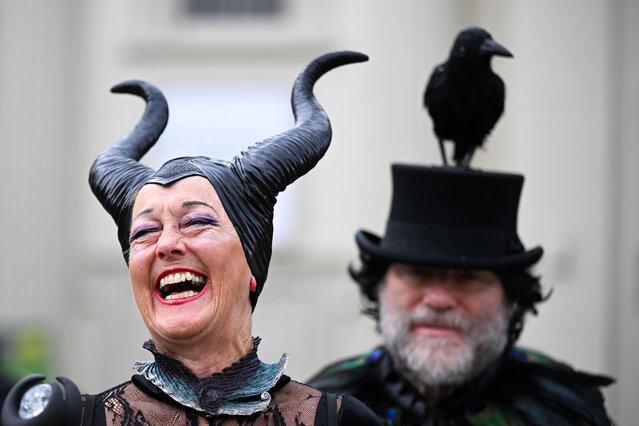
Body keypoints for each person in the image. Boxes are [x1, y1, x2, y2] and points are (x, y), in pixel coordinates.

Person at [1, 51, 383, 425]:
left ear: (251, 264)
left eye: (197, 222)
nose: (167, 244)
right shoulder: (77, 420)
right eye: (145, 232)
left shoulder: (338, 419)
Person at [308, 164, 615, 425]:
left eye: (469, 277)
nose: (439, 300)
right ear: (379, 288)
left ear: (510, 300)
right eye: (416, 273)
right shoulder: (316, 408)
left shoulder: (566, 411)